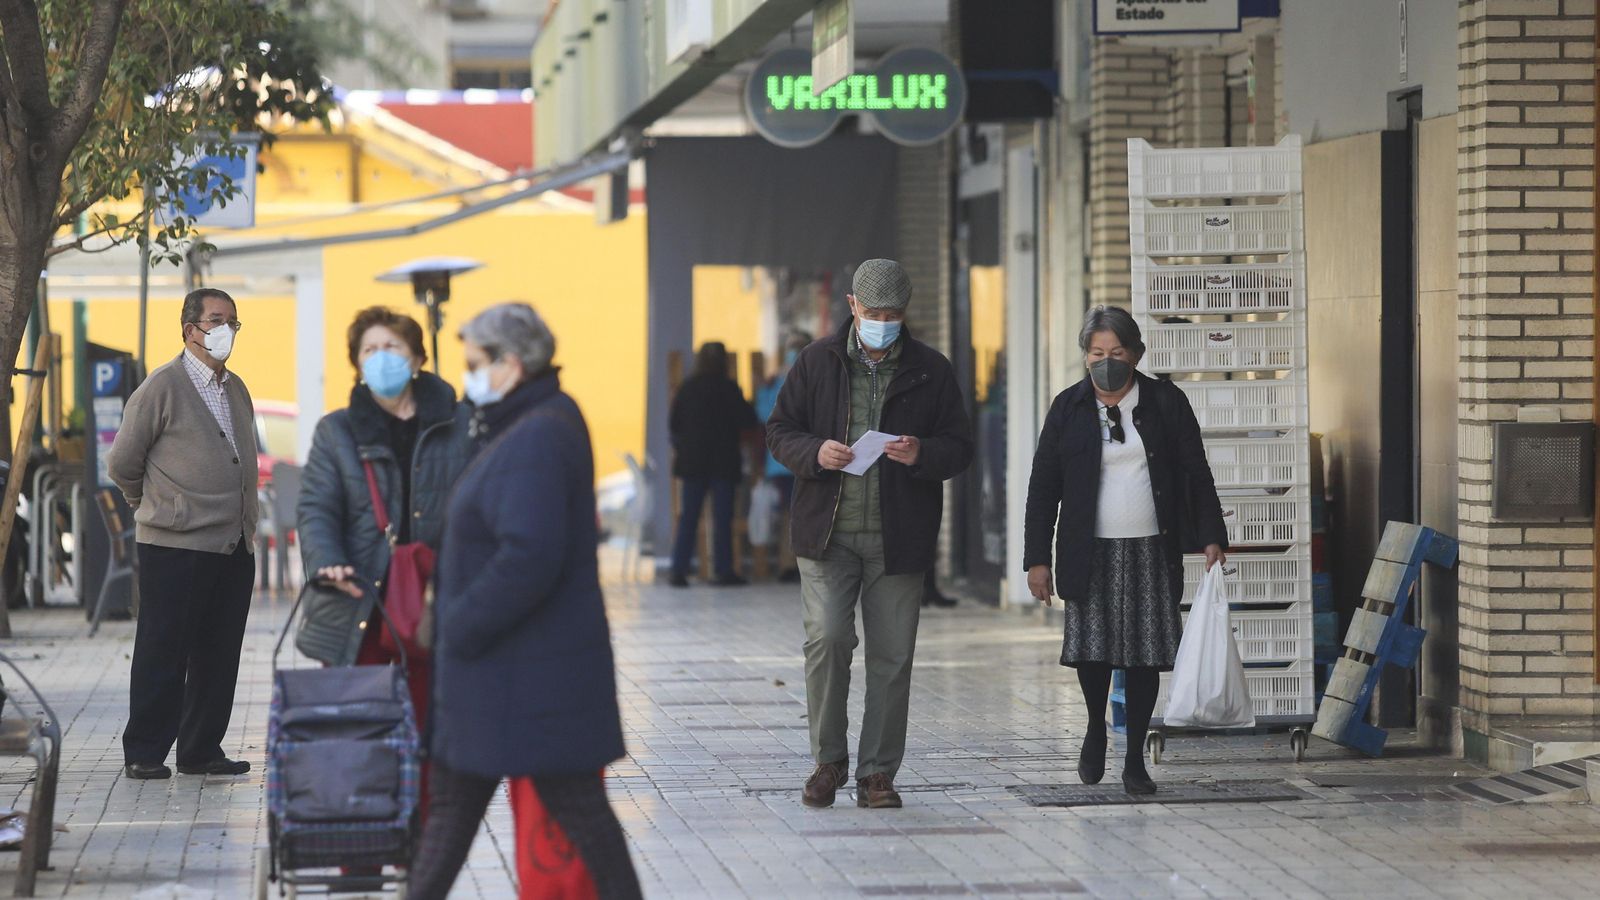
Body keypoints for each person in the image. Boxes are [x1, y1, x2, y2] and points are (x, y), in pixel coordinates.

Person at [409, 303, 641, 900]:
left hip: (525, 678)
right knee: (450, 824)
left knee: (578, 819)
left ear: (511, 364)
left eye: (475, 364)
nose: (469, 376)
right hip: (509, 679)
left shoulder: (538, 432)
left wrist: (458, 624)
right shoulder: (527, 421)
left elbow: (529, 555)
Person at [766, 258, 973, 810]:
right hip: (826, 535)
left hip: (898, 538)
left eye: (894, 315)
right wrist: (815, 452)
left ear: (905, 314)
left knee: (892, 656)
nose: (883, 323)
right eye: (874, 312)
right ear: (853, 307)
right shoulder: (817, 362)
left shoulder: (932, 369)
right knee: (828, 640)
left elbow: (960, 445)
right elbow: (780, 430)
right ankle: (827, 762)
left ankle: (878, 772)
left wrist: (921, 452)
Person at [1023, 305, 1228, 795]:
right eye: (1097, 353)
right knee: (1092, 651)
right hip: (1086, 549)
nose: (1106, 361)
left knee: (1143, 656)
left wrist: (1210, 535)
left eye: (1117, 352)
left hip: (1151, 550)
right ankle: (1096, 728)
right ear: (1085, 356)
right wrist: (1036, 558)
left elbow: (1195, 472)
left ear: (1135, 354)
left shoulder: (1165, 402)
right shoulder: (1067, 408)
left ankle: (1135, 757)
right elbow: (1042, 484)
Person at [296, 306, 471, 810]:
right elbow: (316, 507)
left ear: (417, 357)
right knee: (359, 738)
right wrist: (326, 561)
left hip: (438, 605)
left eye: (391, 348)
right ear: (356, 363)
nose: (380, 358)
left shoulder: (460, 424)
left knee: (433, 736)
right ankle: (362, 844)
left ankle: (423, 843)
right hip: (360, 604)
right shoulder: (338, 431)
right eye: (369, 350)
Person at [108, 288, 259, 780]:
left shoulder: (235, 388)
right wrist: (153, 506)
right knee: (164, 648)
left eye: (232, 323)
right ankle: (145, 751)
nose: (226, 331)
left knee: (219, 651)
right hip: (174, 544)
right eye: (217, 320)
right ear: (189, 328)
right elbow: (123, 462)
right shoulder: (162, 387)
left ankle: (201, 748)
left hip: (231, 543)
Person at [667, 341, 759, 587]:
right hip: (723, 462)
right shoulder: (729, 388)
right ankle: (724, 570)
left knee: (689, 517)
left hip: (693, 462)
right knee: (722, 519)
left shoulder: (687, 388)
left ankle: (678, 569)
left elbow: (674, 425)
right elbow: (747, 420)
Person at [753, 331, 812, 583]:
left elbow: (764, 414)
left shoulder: (787, 379)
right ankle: (792, 564)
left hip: (791, 459)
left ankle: (794, 563)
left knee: (796, 513)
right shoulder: (794, 378)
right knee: (795, 513)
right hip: (796, 459)